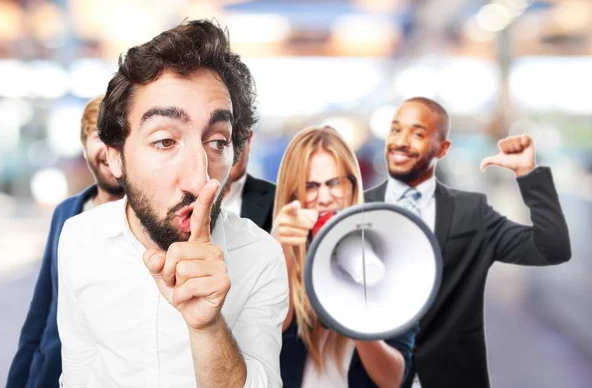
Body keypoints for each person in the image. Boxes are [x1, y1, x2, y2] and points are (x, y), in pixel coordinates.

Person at [56, 20, 288, 387]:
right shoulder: (78, 238)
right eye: (165, 141)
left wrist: (208, 326)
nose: (200, 180)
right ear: (115, 157)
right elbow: (79, 369)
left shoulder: (261, 256)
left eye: (217, 142)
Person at [365, 97, 572, 388]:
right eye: (396, 130)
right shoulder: (356, 211)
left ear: (443, 148)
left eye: (418, 134)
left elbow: (551, 248)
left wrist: (528, 175)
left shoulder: (471, 213)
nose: (401, 141)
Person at [273, 125, 418, 388]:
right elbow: (268, 333)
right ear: (293, 193)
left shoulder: (390, 256)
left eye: (334, 183)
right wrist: (280, 254)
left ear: (353, 186)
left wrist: (355, 318)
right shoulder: (272, 252)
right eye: (311, 186)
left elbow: (394, 378)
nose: (325, 198)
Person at [6, 95, 124, 388]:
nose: (109, 149)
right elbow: (41, 309)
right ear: (85, 145)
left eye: (119, 137)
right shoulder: (66, 212)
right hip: (51, 375)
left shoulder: (150, 221)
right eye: (99, 136)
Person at [222, 130, 276, 232]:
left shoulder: (278, 199)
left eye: (235, 139)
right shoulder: (185, 198)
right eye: (219, 142)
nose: (227, 152)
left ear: (249, 139)